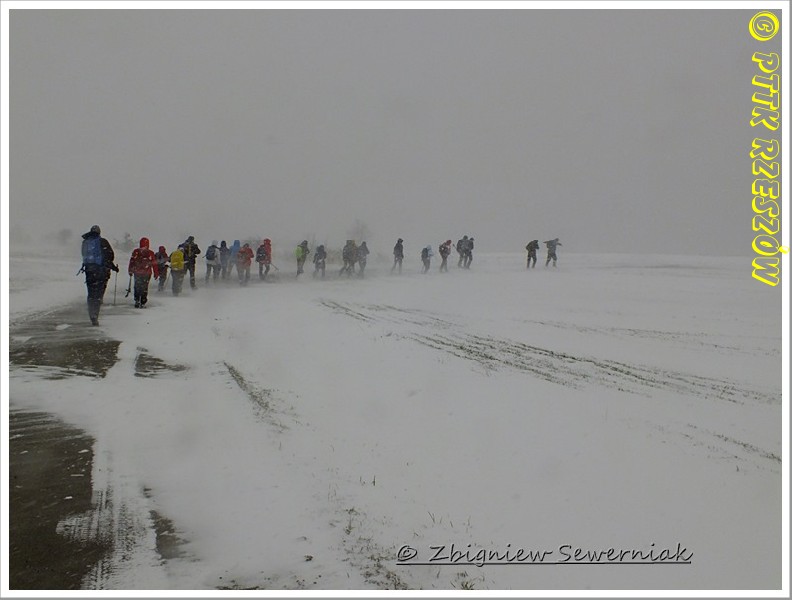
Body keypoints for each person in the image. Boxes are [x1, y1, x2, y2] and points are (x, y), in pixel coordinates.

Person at [80, 225, 118, 326]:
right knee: (98, 294)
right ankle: (95, 315)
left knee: (91, 293)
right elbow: (110, 256)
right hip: (100, 272)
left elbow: (83, 255)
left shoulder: (85, 242)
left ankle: (91, 313)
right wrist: (113, 267)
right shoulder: (103, 241)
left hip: (89, 270)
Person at [128, 237, 159, 308]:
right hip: (147, 273)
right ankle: (143, 301)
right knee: (144, 287)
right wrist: (156, 273)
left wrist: (130, 270)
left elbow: (132, 262)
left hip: (137, 272)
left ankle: (137, 300)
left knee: (137, 286)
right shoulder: (150, 253)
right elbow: (154, 264)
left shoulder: (136, 251)